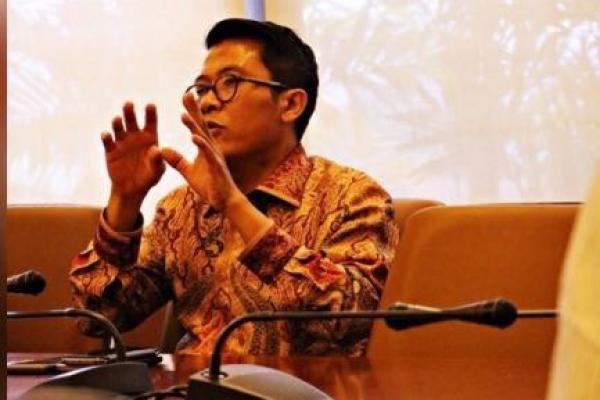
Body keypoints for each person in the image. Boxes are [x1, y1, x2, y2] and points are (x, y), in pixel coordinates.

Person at [69, 18, 398, 356]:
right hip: (193, 382)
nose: (207, 102)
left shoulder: (352, 196)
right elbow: (96, 318)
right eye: (202, 88)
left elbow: (350, 318)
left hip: (301, 384)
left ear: (290, 105)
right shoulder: (181, 208)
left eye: (230, 82)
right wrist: (124, 202)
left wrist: (233, 204)